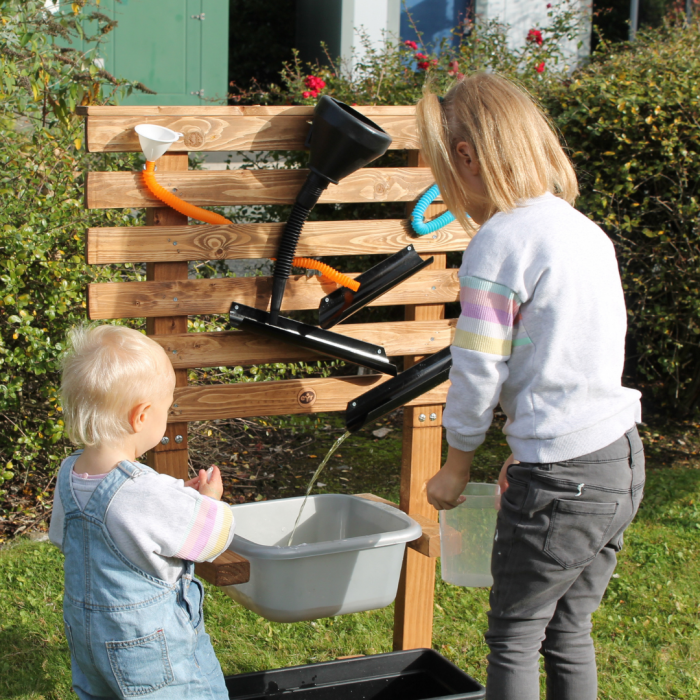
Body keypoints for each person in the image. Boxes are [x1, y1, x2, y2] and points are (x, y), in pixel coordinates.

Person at [419, 73, 644, 700]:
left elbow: (476, 370)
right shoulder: (580, 229)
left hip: (563, 481)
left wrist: (456, 465)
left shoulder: (499, 242)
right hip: (619, 458)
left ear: (466, 156)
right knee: (569, 629)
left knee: (515, 632)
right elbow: (576, 359)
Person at [49, 324, 234, 699]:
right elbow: (211, 539)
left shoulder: (69, 474)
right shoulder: (144, 489)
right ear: (141, 416)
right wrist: (209, 501)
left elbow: (62, 537)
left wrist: (177, 499)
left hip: (89, 643)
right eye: (166, 408)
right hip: (147, 650)